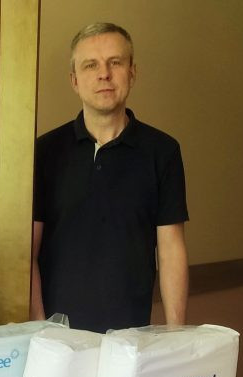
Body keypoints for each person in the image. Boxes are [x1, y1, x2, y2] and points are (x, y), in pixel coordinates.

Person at [31, 22, 189, 333]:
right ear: (75, 81)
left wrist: (176, 334)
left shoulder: (163, 151)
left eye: (115, 62)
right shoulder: (45, 152)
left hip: (130, 333)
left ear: (132, 73)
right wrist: (38, 329)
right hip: (57, 336)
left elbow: (171, 249)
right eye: (90, 65)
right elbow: (28, 254)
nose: (104, 74)